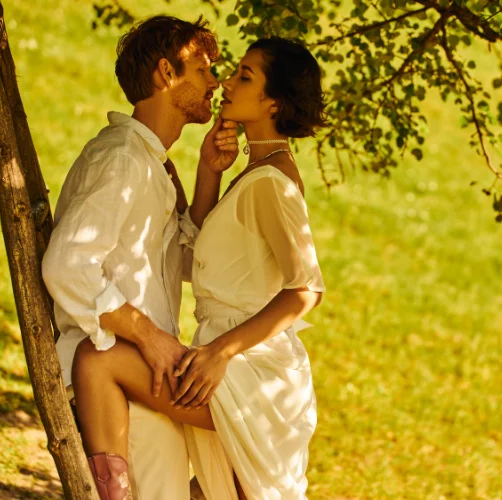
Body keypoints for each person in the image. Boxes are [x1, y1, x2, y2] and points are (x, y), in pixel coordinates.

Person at [70, 37, 328, 499]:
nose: (226, 82)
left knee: (98, 359)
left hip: (249, 370)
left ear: (272, 102)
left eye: (244, 76)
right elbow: (205, 258)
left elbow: (306, 290)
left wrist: (220, 353)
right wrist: (210, 173)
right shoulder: (255, 172)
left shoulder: (273, 182)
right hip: (221, 359)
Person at [41, 15, 240, 500]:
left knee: (252, 445)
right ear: (166, 75)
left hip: (147, 378)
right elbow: (67, 266)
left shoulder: (150, 162)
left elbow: (190, 265)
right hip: (113, 377)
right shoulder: (122, 160)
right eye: (203, 69)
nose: (215, 81)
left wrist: (208, 175)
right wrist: (150, 338)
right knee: (251, 437)